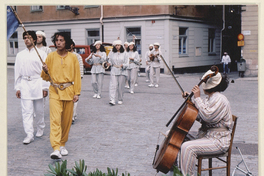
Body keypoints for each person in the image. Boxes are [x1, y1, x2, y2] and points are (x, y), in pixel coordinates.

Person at [179, 68, 232, 176]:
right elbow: (199, 116)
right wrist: (191, 101)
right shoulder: (210, 98)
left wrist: (197, 98)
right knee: (175, 135)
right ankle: (175, 171)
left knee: (187, 147)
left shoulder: (220, 99)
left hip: (218, 140)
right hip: (206, 136)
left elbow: (207, 117)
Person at [41, 32, 81, 159]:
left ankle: (63, 143)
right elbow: (45, 77)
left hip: (69, 91)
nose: (58, 42)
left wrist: (77, 93)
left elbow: (77, 77)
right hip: (55, 91)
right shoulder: (51, 57)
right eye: (57, 40)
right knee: (55, 120)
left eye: (61, 40)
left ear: (66, 42)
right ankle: (56, 148)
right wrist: (45, 71)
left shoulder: (73, 57)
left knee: (66, 121)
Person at [14, 30, 48, 144]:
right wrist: (17, 87)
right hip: (25, 84)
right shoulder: (20, 55)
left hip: (37, 82)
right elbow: (17, 72)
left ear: (34, 39)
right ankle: (29, 134)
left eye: (28, 37)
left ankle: (40, 127)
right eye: (24, 38)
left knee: (39, 110)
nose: (26, 40)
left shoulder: (41, 53)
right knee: (26, 111)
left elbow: (45, 72)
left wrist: (44, 87)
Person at [107, 40, 129, 105]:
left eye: (118, 45)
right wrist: (109, 63)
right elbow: (110, 60)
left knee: (120, 86)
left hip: (122, 70)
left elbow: (127, 63)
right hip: (114, 69)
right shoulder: (112, 53)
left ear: (121, 46)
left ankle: (120, 99)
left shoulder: (125, 53)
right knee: (113, 85)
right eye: (116, 45)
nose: (117, 47)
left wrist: (123, 65)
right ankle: (112, 99)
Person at [68, 39, 84, 123]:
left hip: (75, 79)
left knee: (74, 98)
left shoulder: (77, 56)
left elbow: (80, 67)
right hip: (66, 80)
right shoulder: (63, 55)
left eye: (70, 44)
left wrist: (79, 78)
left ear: (73, 45)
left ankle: (72, 116)